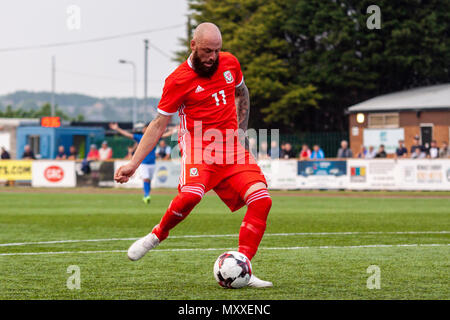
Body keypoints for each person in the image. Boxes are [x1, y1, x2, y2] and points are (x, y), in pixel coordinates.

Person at [114, 22, 272, 288]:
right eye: (208, 50)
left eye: (217, 51)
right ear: (193, 45)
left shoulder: (230, 63)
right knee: (191, 195)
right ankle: (156, 235)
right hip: (199, 145)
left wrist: (241, 132)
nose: (212, 57)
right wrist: (133, 163)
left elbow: (242, 92)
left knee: (262, 200)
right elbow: (158, 125)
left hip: (231, 146)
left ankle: (243, 267)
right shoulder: (177, 80)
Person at [109, 122, 156, 204]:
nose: (143, 129)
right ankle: (147, 195)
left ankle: (147, 194)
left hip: (152, 163)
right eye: (144, 128)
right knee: (146, 178)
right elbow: (128, 135)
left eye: (145, 128)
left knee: (149, 180)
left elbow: (165, 134)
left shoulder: (155, 137)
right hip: (143, 162)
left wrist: (174, 131)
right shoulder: (140, 137)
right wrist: (117, 129)